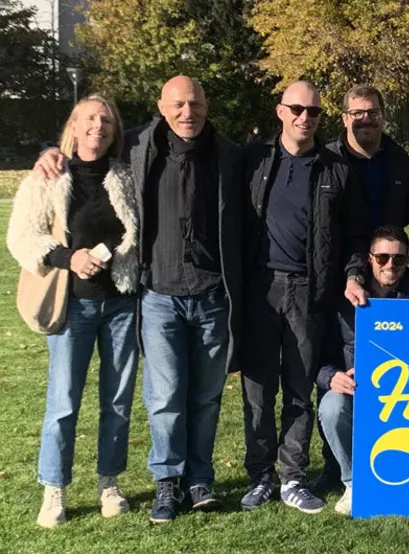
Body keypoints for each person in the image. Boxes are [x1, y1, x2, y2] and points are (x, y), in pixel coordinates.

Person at [33, 75, 244, 523]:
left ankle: (196, 479)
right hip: (150, 297)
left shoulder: (228, 153)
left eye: (195, 103)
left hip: (199, 295)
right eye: (178, 104)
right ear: (161, 107)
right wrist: (49, 154)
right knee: (158, 399)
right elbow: (84, 149)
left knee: (201, 398)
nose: (187, 112)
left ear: (207, 105)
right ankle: (163, 481)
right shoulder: (137, 146)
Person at [9, 96, 140, 528]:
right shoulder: (49, 176)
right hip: (73, 305)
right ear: (74, 126)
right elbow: (22, 236)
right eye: (90, 119)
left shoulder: (127, 175)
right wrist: (69, 258)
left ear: (115, 131)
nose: (98, 126)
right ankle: (54, 489)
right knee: (64, 402)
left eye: (106, 120)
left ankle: (109, 483)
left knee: (117, 401)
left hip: (121, 304)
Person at [239, 81, 371, 514]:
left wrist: (352, 273)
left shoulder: (336, 170)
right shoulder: (255, 159)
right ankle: (260, 475)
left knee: (298, 389)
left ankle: (292, 477)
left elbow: (357, 233)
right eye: (296, 109)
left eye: (313, 111)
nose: (305, 117)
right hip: (260, 288)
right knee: (258, 389)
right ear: (281, 111)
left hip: (309, 291)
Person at [315, 225, 409, 516]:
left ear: (408, 260)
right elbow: (317, 358)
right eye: (383, 257)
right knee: (331, 406)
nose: (391, 265)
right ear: (369, 259)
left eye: (399, 259)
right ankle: (354, 484)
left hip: (408, 397)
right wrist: (331, 376)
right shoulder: (342, 303)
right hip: (359, 391)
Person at [327, 85, 409, 228]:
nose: (366, 119)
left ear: (383, 116)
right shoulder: (327, 161)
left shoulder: (399, 160)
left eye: (373, 112)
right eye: (357, 113)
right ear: (345, 119)